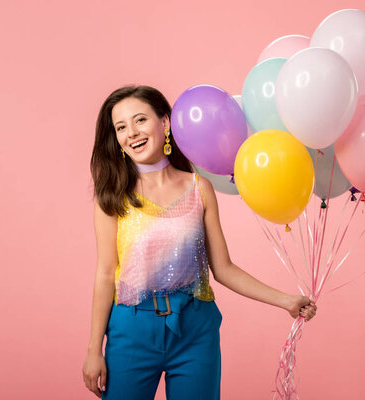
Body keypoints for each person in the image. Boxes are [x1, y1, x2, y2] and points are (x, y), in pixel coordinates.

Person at [82, 85, 317, 399]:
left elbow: (223, 269)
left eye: (140, 120)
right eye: (121, 127)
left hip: (195, 328)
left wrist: (286, 300)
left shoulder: (199, 188)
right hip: (131, 330)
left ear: (164, 122)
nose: (132, 133)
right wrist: (94, 350)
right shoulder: (112, 197)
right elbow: (104, 274)